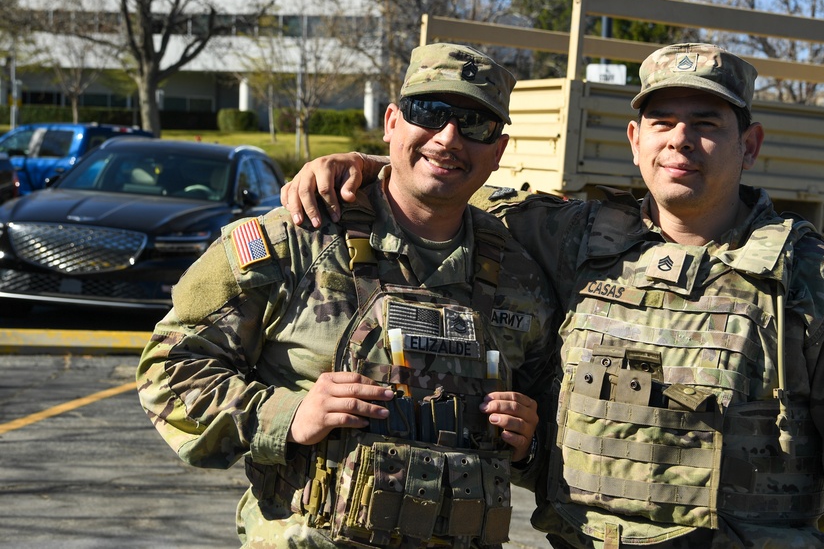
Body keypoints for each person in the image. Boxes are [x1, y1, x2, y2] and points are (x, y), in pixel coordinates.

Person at [281, 43, 824, 549]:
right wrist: (363, 166)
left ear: (748, 145)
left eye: (706, 124)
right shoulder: (568, 238)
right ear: (635, 138)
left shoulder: (813, 279)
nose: (680, 141)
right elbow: (441, 185)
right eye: (663, 122)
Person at [136, 42, 559, 549]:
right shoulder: (297, 238)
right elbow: (170, 365)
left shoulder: (521, 278)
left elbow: (554, 422)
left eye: (476, 124)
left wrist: (529, 442)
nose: (449, 138)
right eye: (430, 112)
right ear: (392, 121)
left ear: (499, 151)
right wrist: (287, 416)